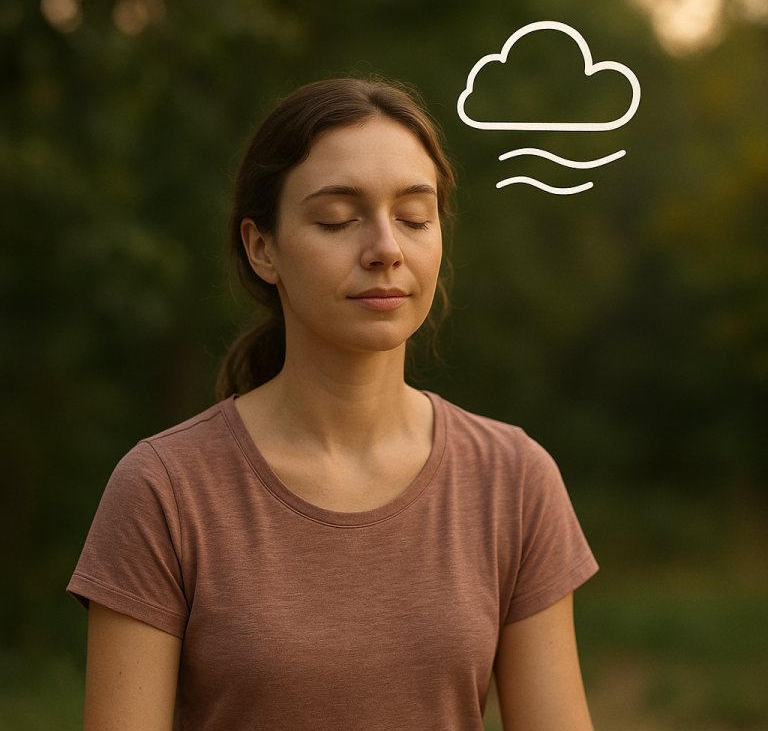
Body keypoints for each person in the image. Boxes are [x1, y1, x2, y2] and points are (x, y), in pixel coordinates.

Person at [68, 76, 598, 731]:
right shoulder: (164, 490)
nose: (386, 250)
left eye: (413, 217)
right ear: (263, 248)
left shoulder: (514, 480)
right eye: (338, 220)